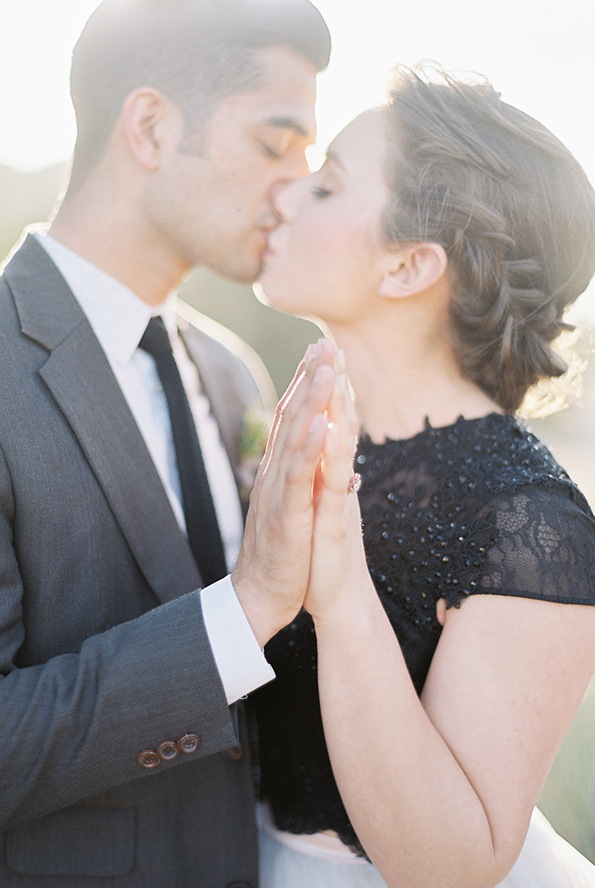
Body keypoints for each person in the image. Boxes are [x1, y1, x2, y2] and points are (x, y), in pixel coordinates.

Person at [0, 1, 332, 885]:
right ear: (152, 127)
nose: (298, 185)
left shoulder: (231, 374)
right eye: (278, 144)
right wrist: (242, 609)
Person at [252, 67, 595, 888]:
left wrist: (339, 595)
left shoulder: (530, 519)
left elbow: (452, 868)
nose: (285, 196)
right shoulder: (318, 436)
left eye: (327, 187)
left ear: (408, 267)